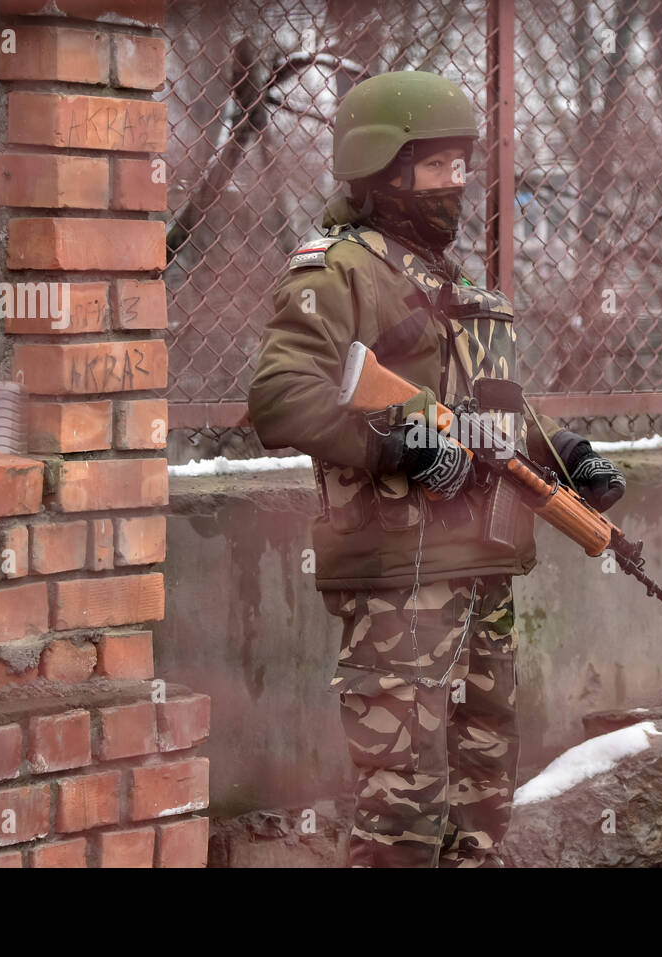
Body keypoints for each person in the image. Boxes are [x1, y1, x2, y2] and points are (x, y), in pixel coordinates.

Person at [248, 69, 626, 867]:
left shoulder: (463, 285)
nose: (456, 184)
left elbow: (488, 414)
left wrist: (569, 454)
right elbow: (280, 398)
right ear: (383, 170)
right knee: (402, 809)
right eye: (437, 167)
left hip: (483, 576)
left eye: (463, 166)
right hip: (400, 584)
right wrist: (392, 445)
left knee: (484, 795)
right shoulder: (339, 271)